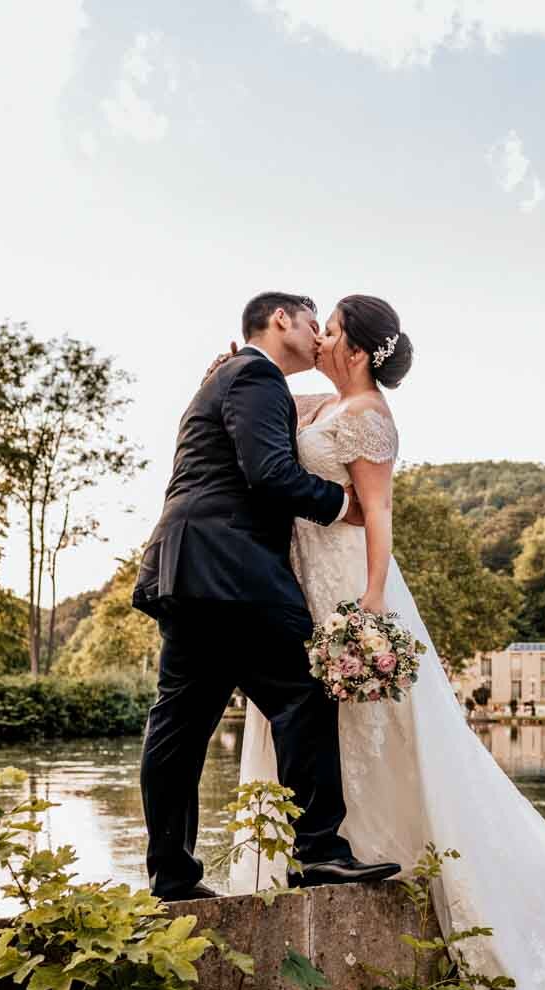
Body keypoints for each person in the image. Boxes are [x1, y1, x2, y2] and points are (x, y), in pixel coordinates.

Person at [233, 293, 545, 990]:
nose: (326, 338)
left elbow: (378, 513)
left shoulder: (370, 417)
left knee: (378, 725)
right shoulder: (328, 404)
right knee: (310, 719)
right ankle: (308, 848)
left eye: (335, 329)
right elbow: (287, 398)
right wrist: (235, 368)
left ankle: (390, 848)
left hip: (348, 580)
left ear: (364, 349)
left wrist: (372, 600)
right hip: (300, 581)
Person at [131, 291, 402, 900]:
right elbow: (268, 473)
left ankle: (171, 877)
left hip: (191, 568)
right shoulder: (254, 374)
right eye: (313, 323)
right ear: (281, 319)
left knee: (180, 723)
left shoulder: (244, 377)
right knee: (304, 694)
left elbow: (323, 418)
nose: (318, 337)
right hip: (235, 569)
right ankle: (320, 853)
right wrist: (342, 505)